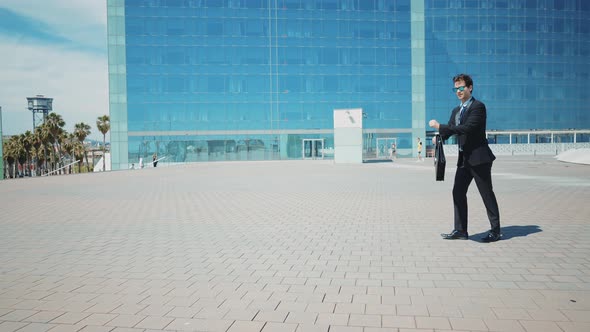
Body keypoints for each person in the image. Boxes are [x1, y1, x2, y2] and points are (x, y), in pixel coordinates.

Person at [428, 73, 501, 242]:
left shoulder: (478, 107)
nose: (458, 91)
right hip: (464, 161)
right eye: (456, 88)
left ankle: (495, 231)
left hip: (479, 159)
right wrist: (439, 136)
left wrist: (440, 127)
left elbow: (466, 128)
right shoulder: (456, 110)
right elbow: (451, 130)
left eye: (461, 87)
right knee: (458, 192)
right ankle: (461, 230)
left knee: (486, 194)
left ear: (470, 87)